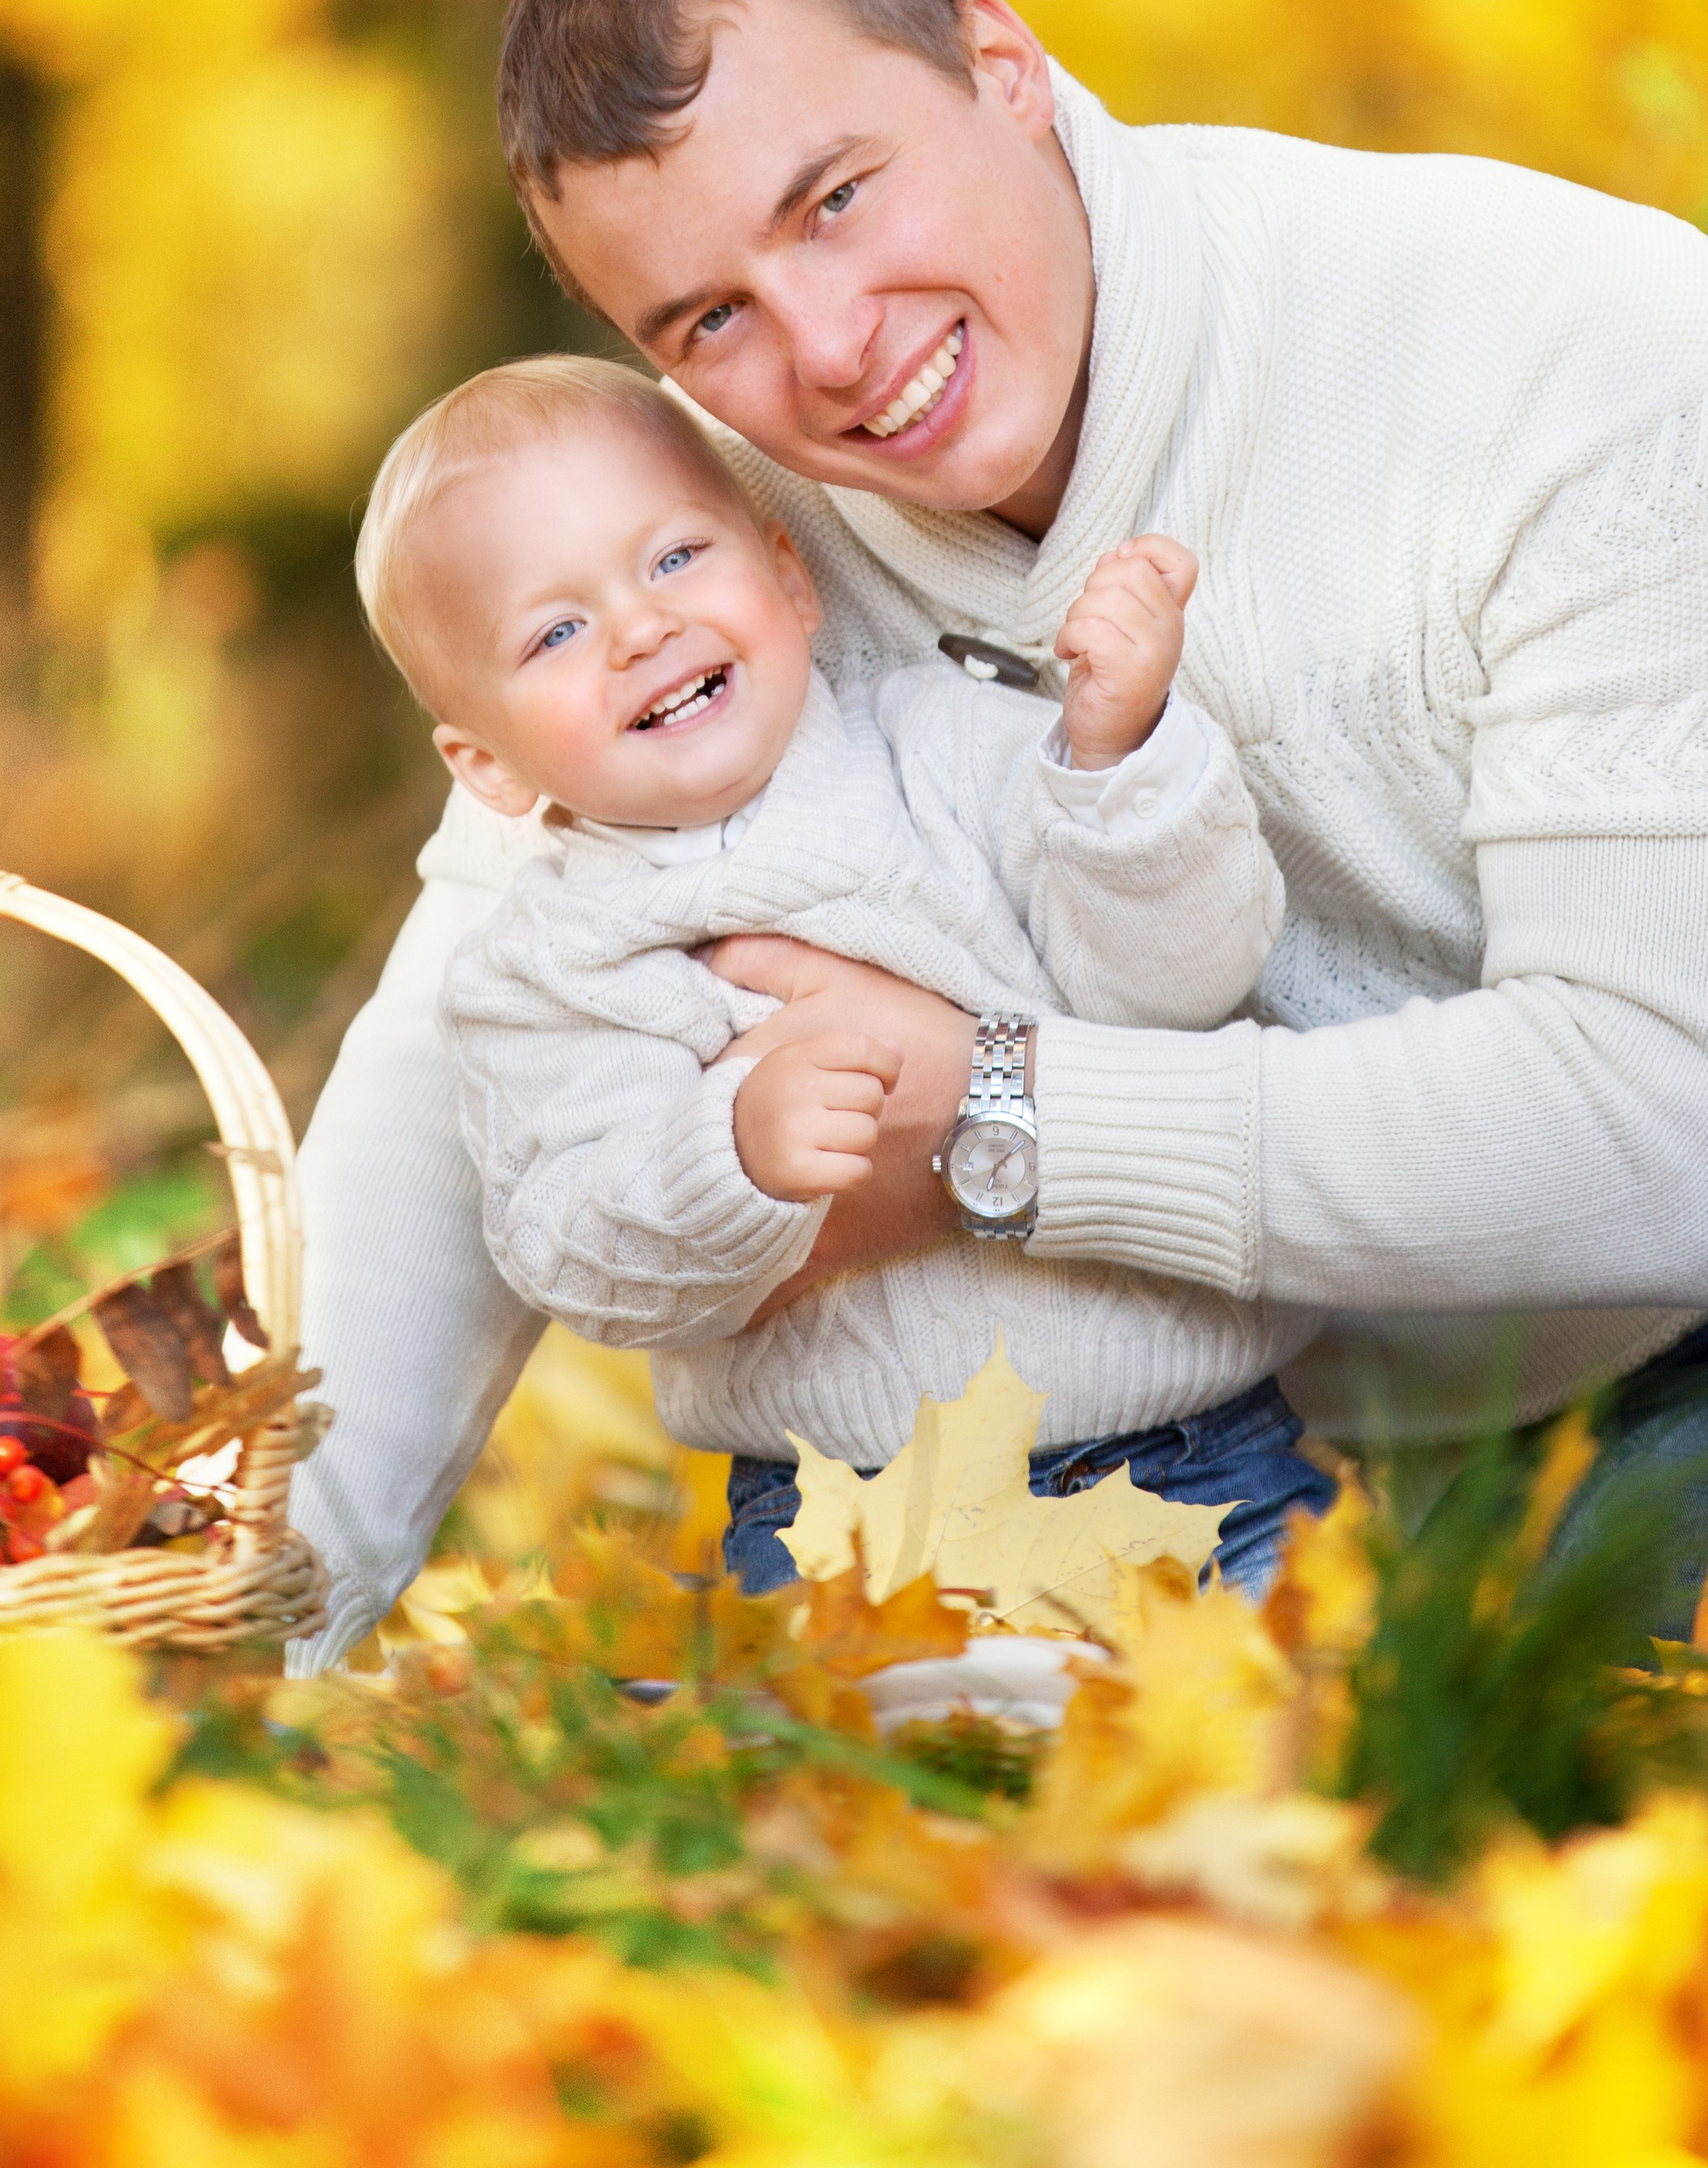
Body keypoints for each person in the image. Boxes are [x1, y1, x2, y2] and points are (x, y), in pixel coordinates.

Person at [288, 0, 1708, 1671]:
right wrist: (242, 1623)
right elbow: (453, 1062)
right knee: (967, 1807)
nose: (829, 349)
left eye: (839, 197)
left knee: (1636, 1726)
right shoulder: (693, 537)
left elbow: (1669, 1145)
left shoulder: (1575, 344)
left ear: (997, 59)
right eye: (706, 319)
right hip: (1170, 1447)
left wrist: (989, 1125)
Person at [350, 349, 1324, 1595]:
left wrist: (1119, 763)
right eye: (556, 629)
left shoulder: (965, 751)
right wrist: (729, 1154)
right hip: (835, 1532)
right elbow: (574, 1250)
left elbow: (1179, 982)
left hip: (1192, 1461)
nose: (642, 627)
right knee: (845, 1782)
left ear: (791, 578)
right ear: (486, 764)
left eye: (675, 559)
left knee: (1268, 1748)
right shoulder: (548, 966)